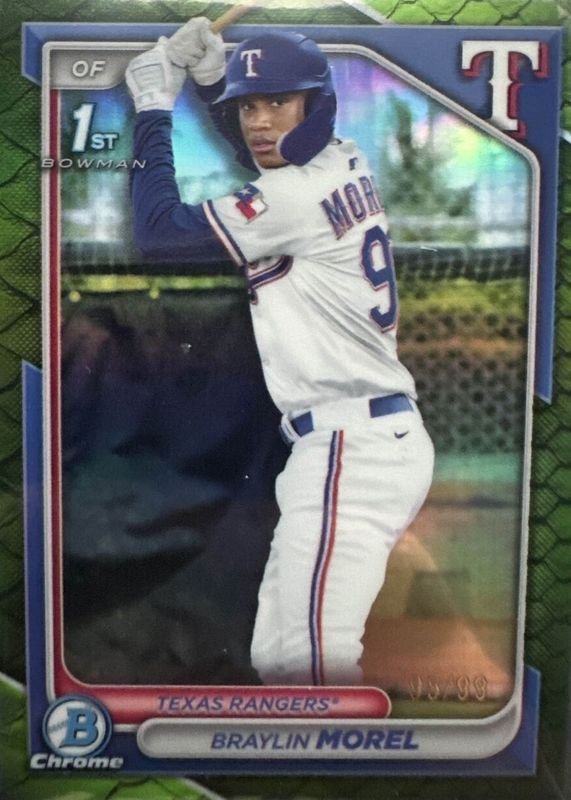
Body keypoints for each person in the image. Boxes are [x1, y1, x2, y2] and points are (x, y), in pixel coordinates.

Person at [126, 21, 434, 687]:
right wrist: (214, 80)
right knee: (282, 662)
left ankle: (355, 755)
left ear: (314, 106)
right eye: (248, 106)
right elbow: (265, 159)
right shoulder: (341, 157)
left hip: (352, 450)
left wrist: (152, 107)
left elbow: (159, 235)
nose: (260, 122)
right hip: (356, 441)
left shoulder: (295, 197)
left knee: (314, 666)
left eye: (278, 102)